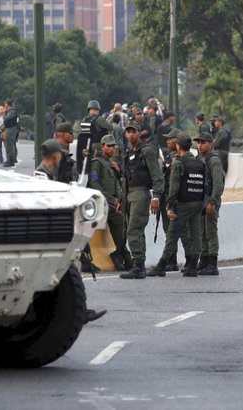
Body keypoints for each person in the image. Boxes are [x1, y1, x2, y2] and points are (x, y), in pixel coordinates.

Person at [35, 139, 107, 323]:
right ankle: (72, 312)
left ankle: (73, 311)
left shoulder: (47, 174)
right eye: (60, 154)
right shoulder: (41, 177)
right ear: (56, 155)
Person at [118, 120, 164, 280]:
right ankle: (140, 265)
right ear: (125, 134)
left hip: (140, 193)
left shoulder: (147, 151)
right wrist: (121, 200)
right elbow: (125, 178)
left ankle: (138, 266)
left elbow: (157, 176)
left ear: (139, 133)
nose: (131, 134)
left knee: (134, 230)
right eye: (128, 131)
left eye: (134, 131)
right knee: (134, 230)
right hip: (129, 194)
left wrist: (156, 196)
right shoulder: (128, 152)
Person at [163, 132, 208, 277]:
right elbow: (205, 185)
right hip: (198, 203)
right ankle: (193, 265)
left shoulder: (178, 163)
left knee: (172, 233)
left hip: (183, 204)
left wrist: (169, 205)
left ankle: (162, 264)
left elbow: (174, 187)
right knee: (195, 234)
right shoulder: (199, 162)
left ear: (178, 145)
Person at [88, 134, 130, 271]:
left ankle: (123, 253)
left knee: (125, 223)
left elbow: (119, 183)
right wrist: (111, 199)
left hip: (114, 201)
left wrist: (118, 171)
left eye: (113, 146)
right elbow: (95, 184)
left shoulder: (111, 163)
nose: (112, 149)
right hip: (103, 202)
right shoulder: (97, 163)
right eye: (109, 146)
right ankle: (119, 254)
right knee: (119, 221)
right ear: (102, 147)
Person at [148, 127, 183, 276]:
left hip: (176, 200)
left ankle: (172, 261)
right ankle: (171, 260)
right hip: (166, 197)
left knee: (173, 231)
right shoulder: (169, 156)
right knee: (167, 230)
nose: (167, 141)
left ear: (178, 141)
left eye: (170, 139)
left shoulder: (183, 158)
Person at [195, 131, 225, 276]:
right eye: (198, 142)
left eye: (203, 142)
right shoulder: (201, 158)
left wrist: (213, 201)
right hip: (202, 200)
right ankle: (204, 260)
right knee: (202, 232)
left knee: (211, 232)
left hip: (210, 200)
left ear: (211, 144)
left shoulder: (214, 160)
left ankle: (212, 264)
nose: (200, 145)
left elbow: (218, 183)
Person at [1, 99, 19, 167]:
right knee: (8, 144)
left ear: (7, 104)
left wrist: (3, 113)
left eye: (5, 104)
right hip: (8, 128)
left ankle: (10, 159)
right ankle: (10, 159)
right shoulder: (9, 111)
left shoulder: (11, 111)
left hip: (10, 129)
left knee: (9, 144)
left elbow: (6, 119)